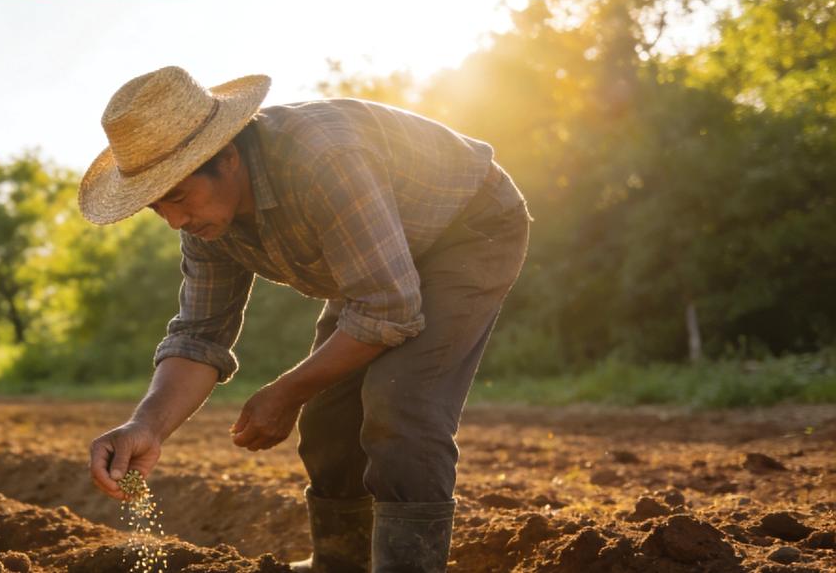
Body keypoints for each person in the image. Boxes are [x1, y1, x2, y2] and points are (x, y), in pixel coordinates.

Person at [82, 66, 530, 573]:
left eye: (179, 197)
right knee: (327, 419)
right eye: (157, 208)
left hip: (466, 228)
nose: (176, 221)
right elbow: (199, 335)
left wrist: (286, 390)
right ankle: (341, 563)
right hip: (373, 264)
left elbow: (389, 308)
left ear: (226, 158)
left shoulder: (322, 160)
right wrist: (147, 426)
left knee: (400, 403)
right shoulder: (207, 223)